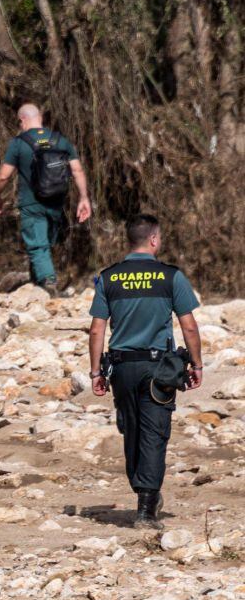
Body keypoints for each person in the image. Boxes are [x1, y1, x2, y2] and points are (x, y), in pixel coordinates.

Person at [88, 215, 203, 529]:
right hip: (157, 369)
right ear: (154, 239)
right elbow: (189, 326)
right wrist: (197, 364)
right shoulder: (170, 276)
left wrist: (96, 372)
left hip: (122, 368)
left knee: (133, 430)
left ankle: (144, 492)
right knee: (154, 434)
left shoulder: (108, 278)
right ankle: (146, 510)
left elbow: (97, 330)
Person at [0, 103, 92, 295]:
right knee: (43, 243)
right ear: (41, 118)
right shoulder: (60, 141)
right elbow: (77, 170)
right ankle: (38, 284)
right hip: (56, 202)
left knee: (38, 244)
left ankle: (48, 283)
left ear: (22, 120)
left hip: (31, 203)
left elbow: (3, 176)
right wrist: (84, 198)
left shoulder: (19, 143)